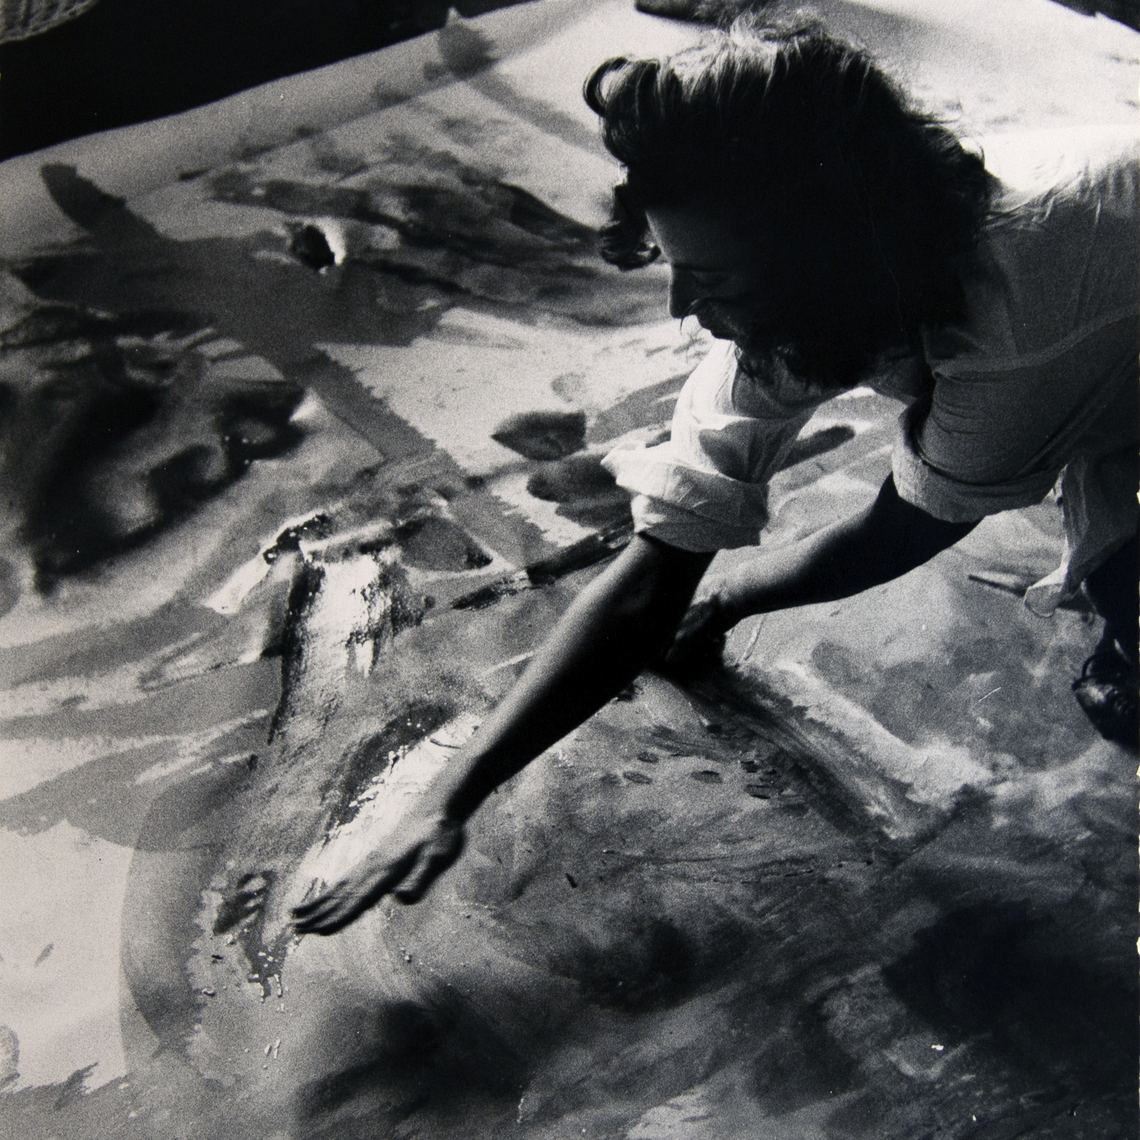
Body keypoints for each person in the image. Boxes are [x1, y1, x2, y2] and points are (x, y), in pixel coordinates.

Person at [292, 19, 1138, 936]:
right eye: (671, 264)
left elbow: (900, 529)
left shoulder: (1013, 331)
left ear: (829, 265)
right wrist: (450, 797)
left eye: (713, 279)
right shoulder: (820, 286)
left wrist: (730, 597)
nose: (681, 307)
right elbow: (657, 565)